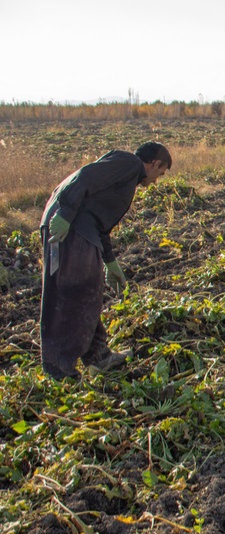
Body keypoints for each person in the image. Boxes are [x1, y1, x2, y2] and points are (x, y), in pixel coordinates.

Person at [39, 142, 172, 379]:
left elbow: (101, 224)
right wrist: (66, 215)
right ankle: (59, 367)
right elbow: (85, 177)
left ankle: (98, 355)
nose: (155, 181)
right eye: (159, 174)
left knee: (87, 291)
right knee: (74, 294)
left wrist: (110, 263)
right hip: (70, 229)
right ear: (155, 164)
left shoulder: (126, 176)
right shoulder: (128, 164)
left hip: (78, 229)